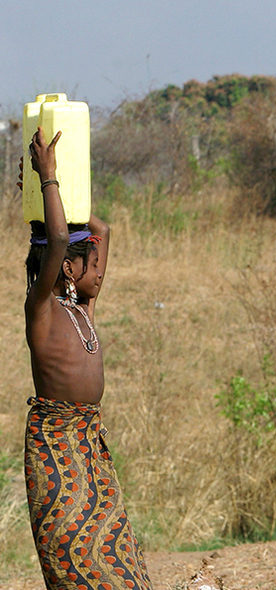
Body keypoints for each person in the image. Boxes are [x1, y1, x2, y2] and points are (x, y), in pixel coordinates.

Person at [21, 127, 153, 590]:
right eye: (91, 263)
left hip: (88, 443)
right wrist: (48, 179)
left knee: (115, 552)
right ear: (68, 270)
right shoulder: (41, 309)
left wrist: (58, 196)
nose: (100, 269)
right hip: (59, 449)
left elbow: (101, 230)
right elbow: (59, 240)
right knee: (76, 553)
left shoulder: (82, 309)